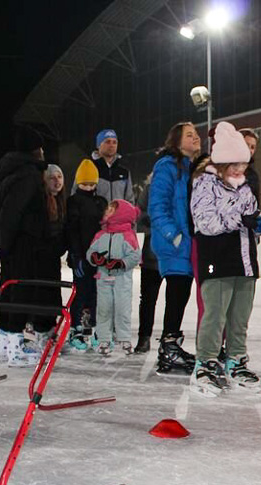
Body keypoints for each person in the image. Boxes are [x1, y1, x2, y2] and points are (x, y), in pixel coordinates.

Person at [190, 121, 261, 396]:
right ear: (223, 162)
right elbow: (205, 223)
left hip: (245, 260)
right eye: (235, 164)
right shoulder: (205, 184)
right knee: (215, 315)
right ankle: (205, 362)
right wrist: (241, 219)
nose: (240, 170)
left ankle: (236, 360)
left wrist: (258, 223)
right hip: (218, 259)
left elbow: (250, 214)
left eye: (243, 164)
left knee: (240, 317)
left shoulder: (245, 187)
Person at [0, 126, 65, 367]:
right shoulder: (28, 176)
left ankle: (3, 344)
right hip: (24, 245)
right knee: (19, 293)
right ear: (36, 150)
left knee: (10, 290)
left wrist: (0, 242)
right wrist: (11, 245)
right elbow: (10, 214)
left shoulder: (10, 174)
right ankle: (15, 347)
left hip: (14, 244)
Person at [148, 122, 201, 375]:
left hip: (188, 244)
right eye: (189, 135)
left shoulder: (193, 169)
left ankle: (171, 346)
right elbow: (157, 206)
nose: (196, 138)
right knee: (177, 295)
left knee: (181, 296)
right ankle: (168, 349)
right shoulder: (167, 166)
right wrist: (175, 236)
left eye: (197, 134)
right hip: (175, 244)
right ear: (177, 141)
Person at [86, 199, 141, 355]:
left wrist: (121, 263)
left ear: (121, 215)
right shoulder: (100, 234)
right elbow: (90, 252)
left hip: (121, 280)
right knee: (104, 308)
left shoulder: (128, 236)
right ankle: (104, 339)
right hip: (103, 279)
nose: (106, 212)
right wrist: (95, 257)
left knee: (122, 309)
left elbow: (135, 256)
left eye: (111, 210)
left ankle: (124, 338)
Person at [66, 160, 108, 351]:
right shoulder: (73, 201)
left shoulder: (101, 202)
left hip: (99, 256)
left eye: (92, 184)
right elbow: (72, 230)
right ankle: (75, 329)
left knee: (97, 294)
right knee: (80, 293)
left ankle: (96, 329)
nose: (88, 188)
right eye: (85, 184)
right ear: (78, 183)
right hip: (81, 256)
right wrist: (76, 255)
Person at [135, 174, 160, 353]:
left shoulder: (184, 185)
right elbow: (139, 214)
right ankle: (144, 337)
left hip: (178, 254)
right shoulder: (151, 189)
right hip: (152, 254)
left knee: (176, 300)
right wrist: (153, 224)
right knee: (148, 298)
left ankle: (170, 339)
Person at [74, 128, 134, 204]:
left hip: (119, 216)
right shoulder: (88, 167)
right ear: (98, 145)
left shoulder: (124, 171)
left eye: (114, 142)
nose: (111, 145)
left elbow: (129, 200)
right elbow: (76, 196)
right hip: (95, 215)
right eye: (107, 142)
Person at [239, 129, 261, 203]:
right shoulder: (221, 169)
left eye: (252, 147)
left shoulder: (253, 175)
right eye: (246, 145)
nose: (249, 150)